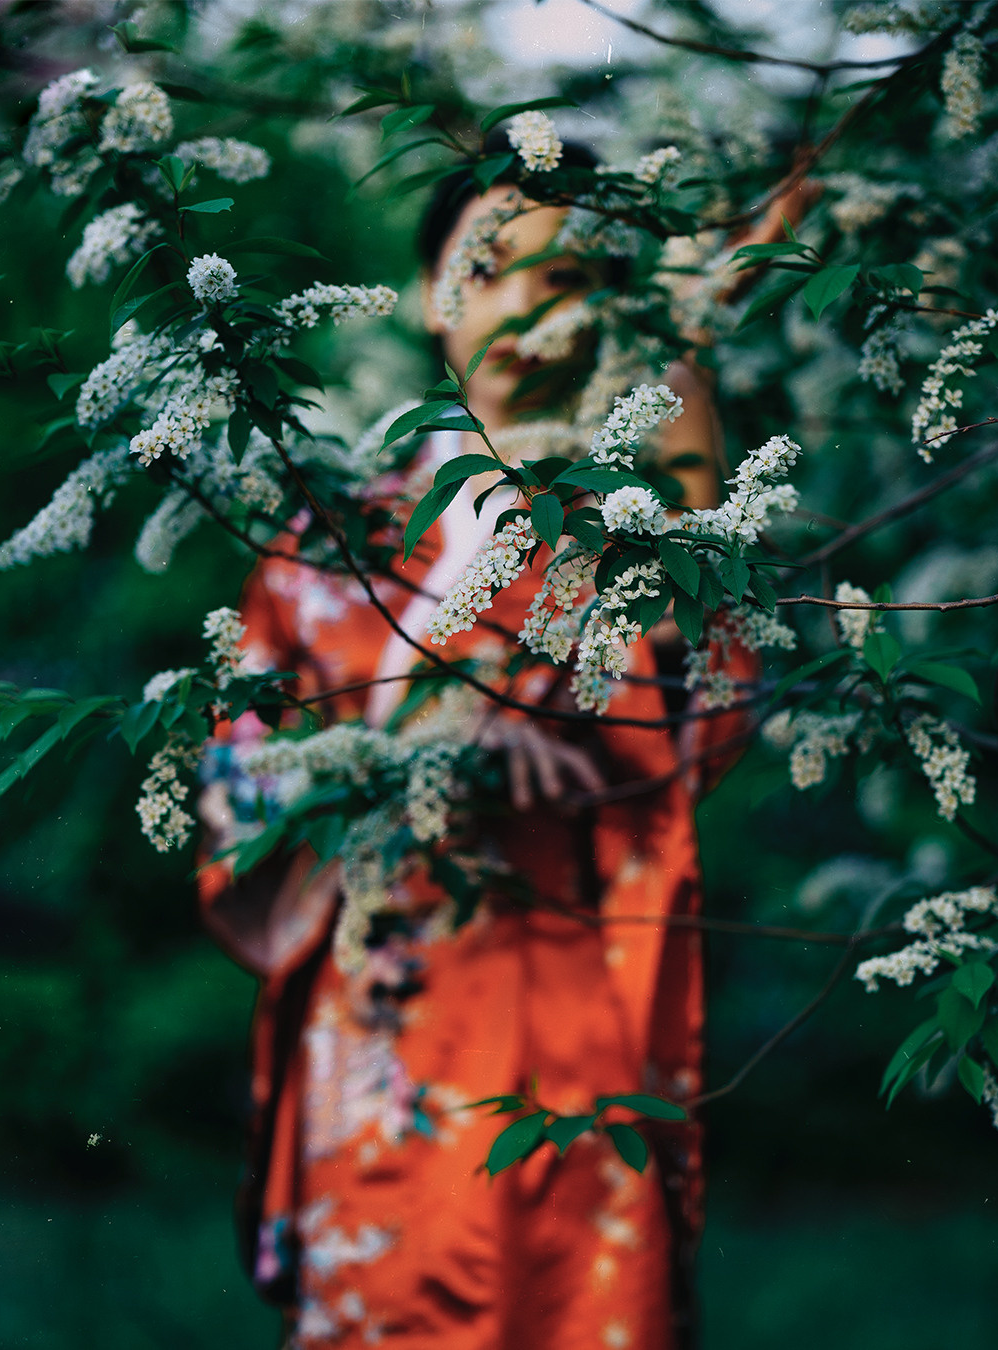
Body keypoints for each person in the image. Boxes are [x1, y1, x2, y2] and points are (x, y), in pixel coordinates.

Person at [198, 144, 799, 1349]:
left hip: (571, 993)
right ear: (430, 293)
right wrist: (406, 742)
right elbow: (237, 774)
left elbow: (720, 693)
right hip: (387, 1004)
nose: (527, 298)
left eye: (569, 271)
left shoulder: (640, 520)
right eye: (491, 262)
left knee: (582, 1299)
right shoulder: (329, 537)